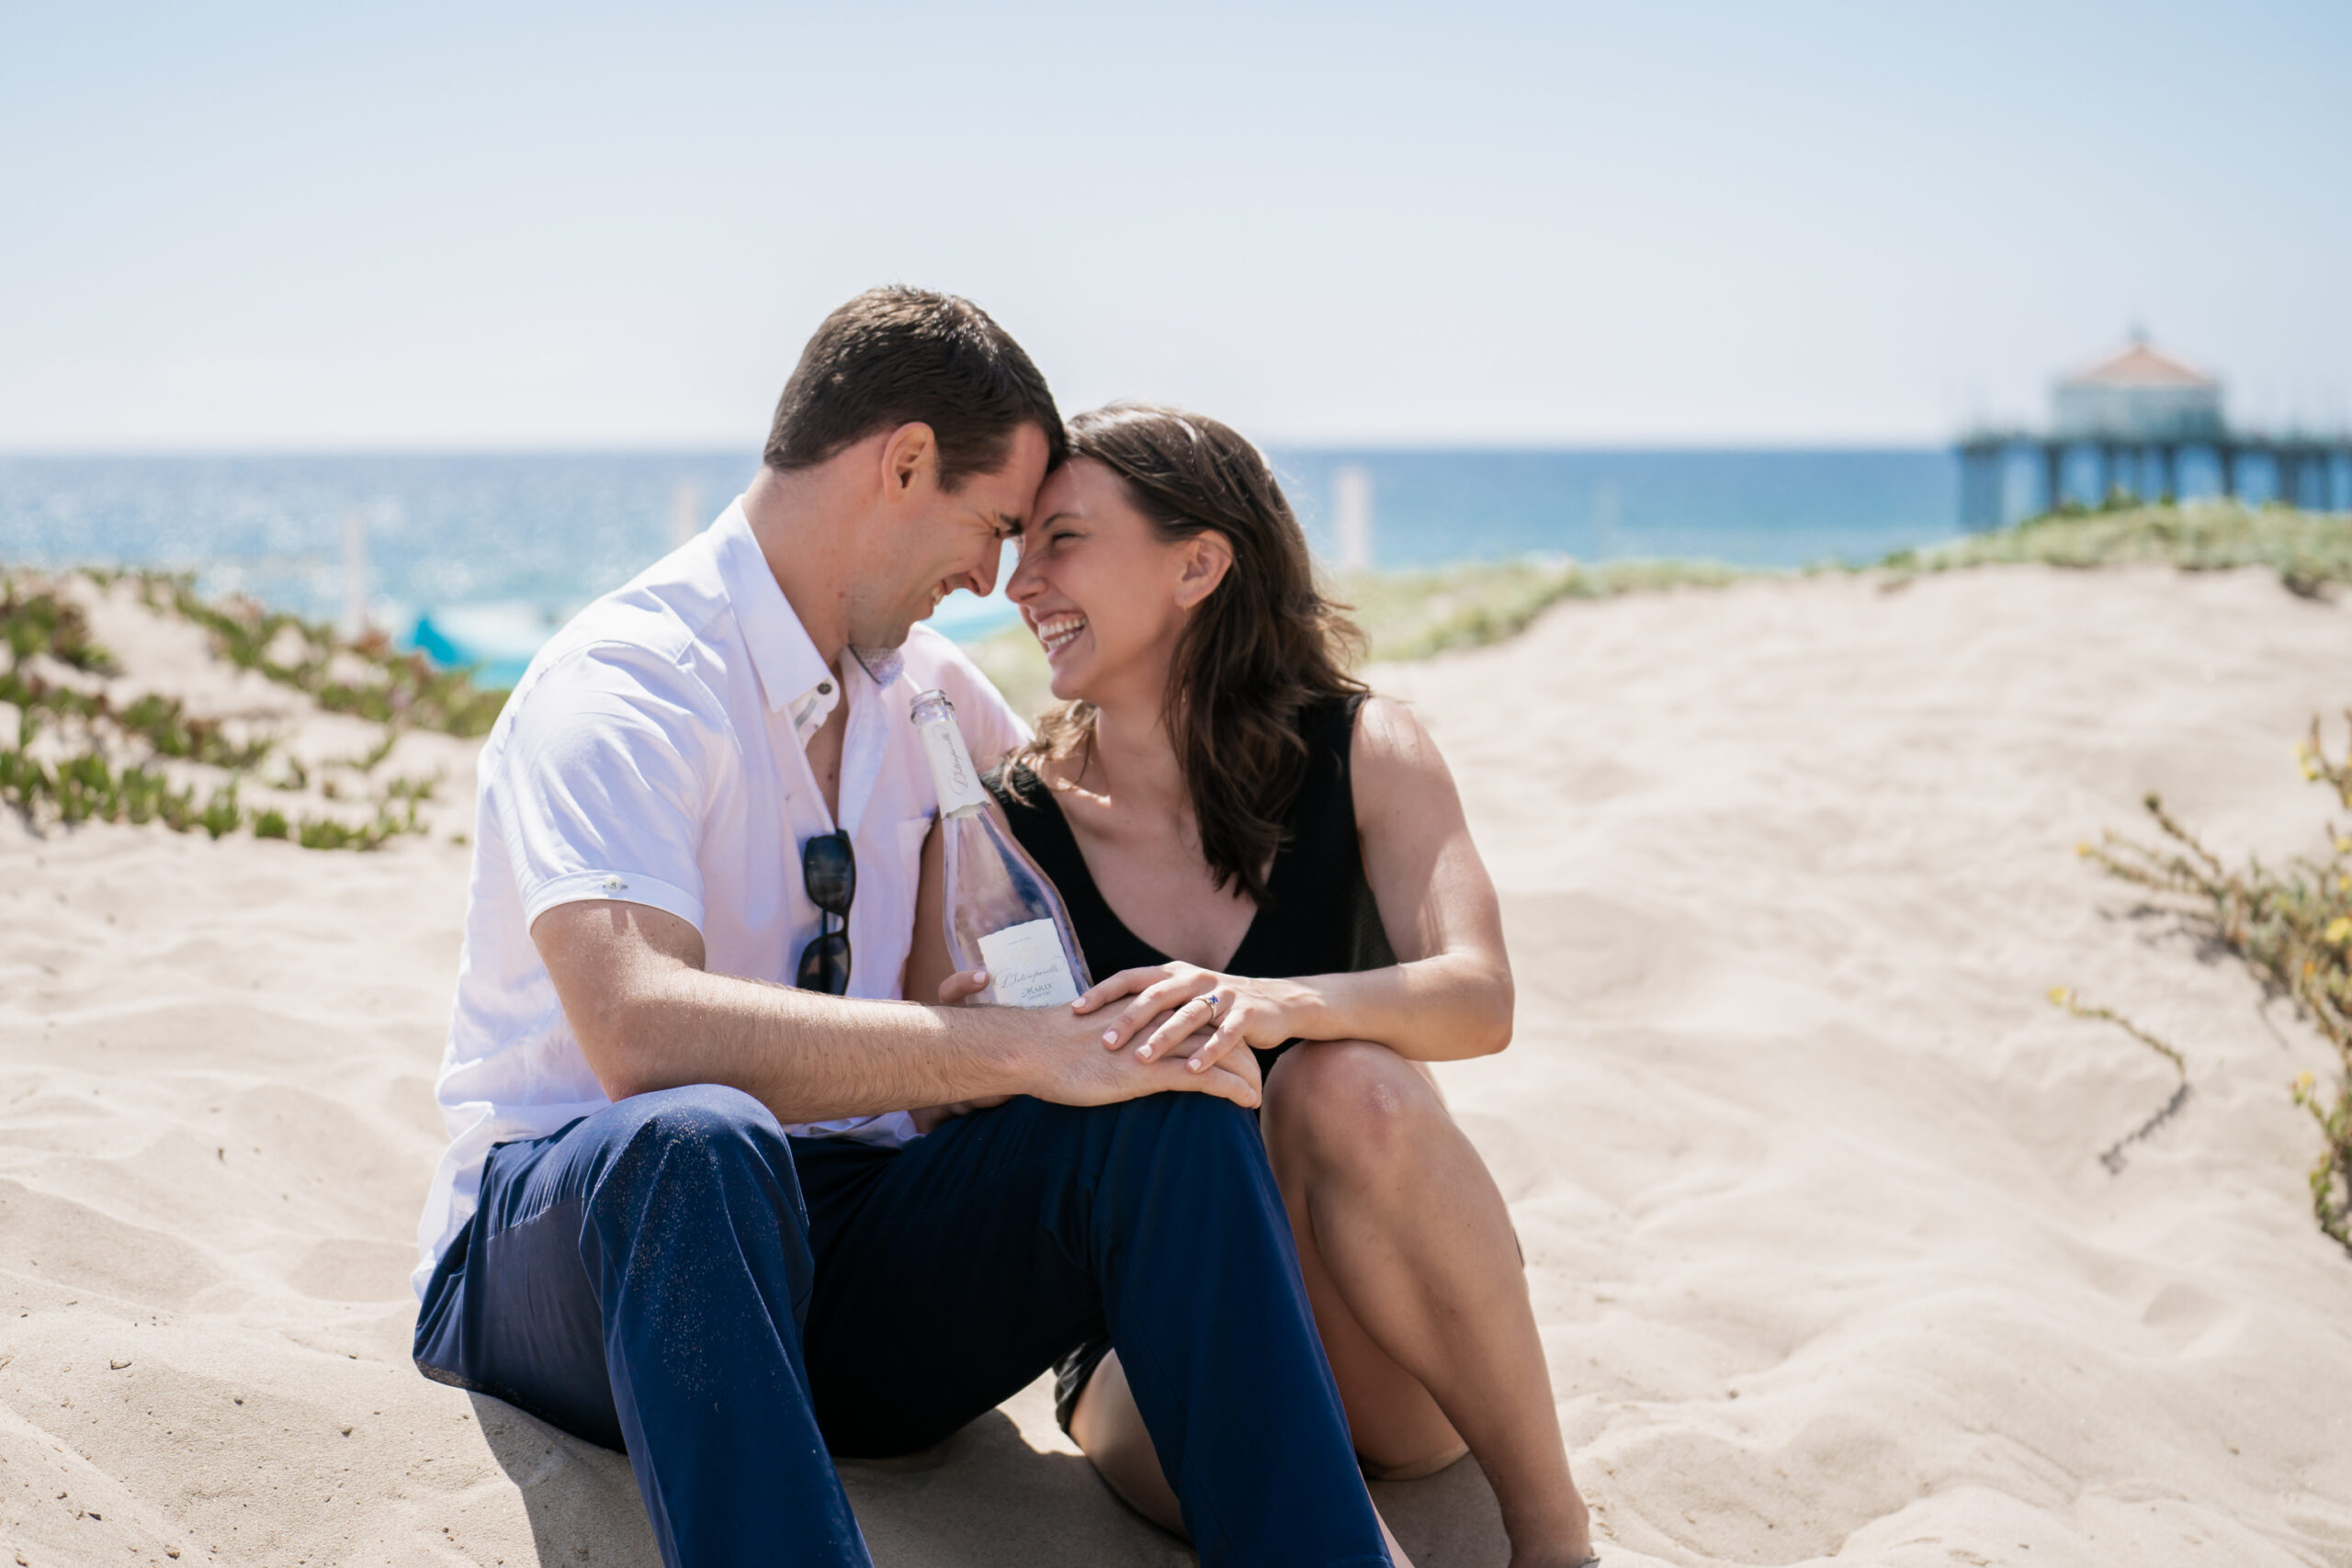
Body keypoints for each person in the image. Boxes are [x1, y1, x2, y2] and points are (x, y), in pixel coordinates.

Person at [409, 290, 1397, 1568]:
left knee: (1162, 1108)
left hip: (848, 1272)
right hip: (580, 1258)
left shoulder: (927, 690)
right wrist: (1021, 1048)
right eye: (994, 525)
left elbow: (1128, 791)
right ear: (905, 461)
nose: (997, 576)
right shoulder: (626, 682)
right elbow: (639, 1031)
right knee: (698, 1136)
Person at [907, 403, 1599, 1568]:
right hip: (1149, 1349)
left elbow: (1480, 997)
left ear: (1198, 563)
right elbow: (935, 1116)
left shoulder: (1366, 750)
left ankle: (1554, 1535)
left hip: (1385, 1334)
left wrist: (1285, 1007)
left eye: (1063, 539)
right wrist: (979, 1063)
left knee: (1348, 1085)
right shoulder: (1001, 827)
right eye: (1020, 545)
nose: (1020, 583)